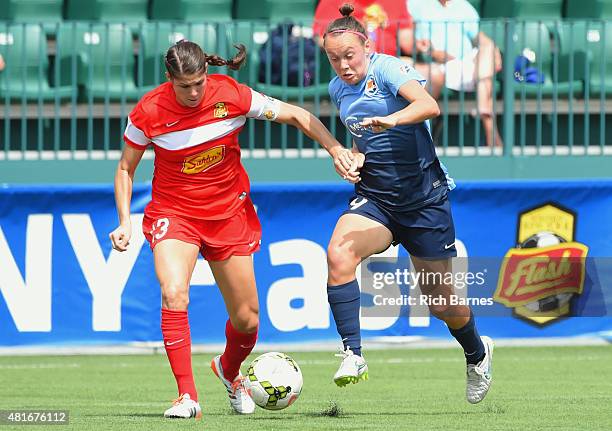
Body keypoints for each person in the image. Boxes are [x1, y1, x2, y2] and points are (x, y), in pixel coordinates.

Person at [109, 40, 352, 419]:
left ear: (207, 73)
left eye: (199, 83)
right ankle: (186, 397)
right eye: (184, 86)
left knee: (247, 319)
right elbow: (126, 168)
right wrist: (125, 220)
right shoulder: (149, 111)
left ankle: (228, 369)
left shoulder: (231, 94)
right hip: (175, 214)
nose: (193, 93)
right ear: (169, 79)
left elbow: (295, 115)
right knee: (174, 292)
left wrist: (335, 147)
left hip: (229, 215)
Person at [322, 4, 494, 404]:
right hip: (377, 196)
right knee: (339, 254)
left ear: (366, 46)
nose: (343, 66)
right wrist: (352, 158)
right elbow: (362, 138)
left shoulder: (388, 69)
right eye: (334, 59)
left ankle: (477, 352)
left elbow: (428, 105)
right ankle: (353, 353)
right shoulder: (336, 89)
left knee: (442, 303)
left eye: (349, 55)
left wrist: (394, 121)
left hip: (422, 199)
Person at [408, 0, 503, 147]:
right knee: (485, 77)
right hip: (436, 65)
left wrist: (493, 48)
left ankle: (483, 106)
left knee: (488, 48)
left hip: (466, 65)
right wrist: (433, 53)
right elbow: (412, 40)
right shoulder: (417, 4)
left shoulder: (463, 6)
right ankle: (492, 135)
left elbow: (479, 37)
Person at [313, 0, 415, 57]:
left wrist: (419, 45)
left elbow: (407, 43)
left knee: (429, 73)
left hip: (389, 62)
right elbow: (322, 39)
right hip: (351, 66)